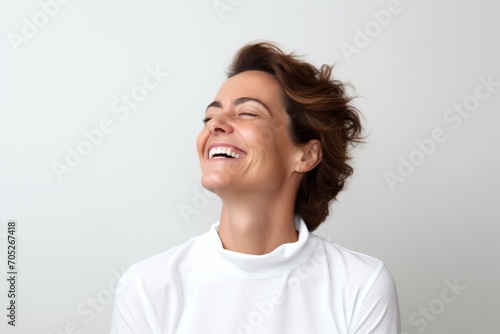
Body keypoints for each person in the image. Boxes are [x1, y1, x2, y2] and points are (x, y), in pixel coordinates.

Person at [110, 41, 401, 334]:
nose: (215, 125)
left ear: (306, 155)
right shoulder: (147, 288)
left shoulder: (361, 285)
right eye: (209, 117)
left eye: (247, 113)